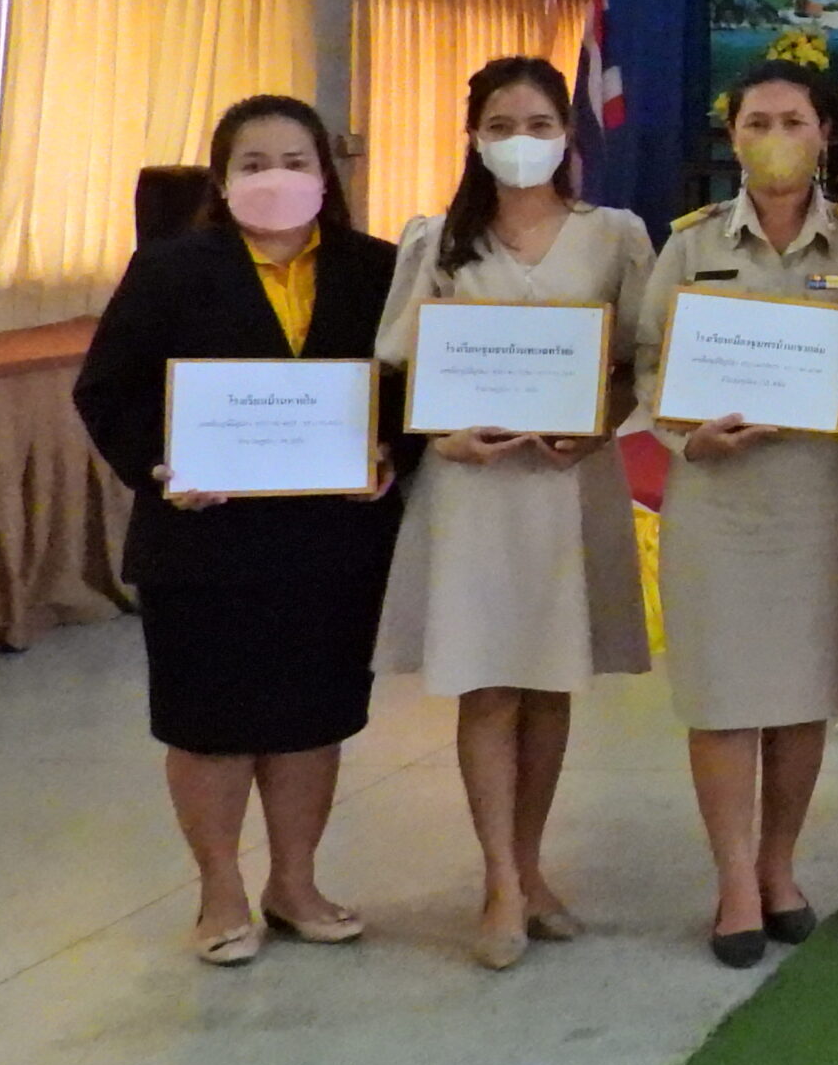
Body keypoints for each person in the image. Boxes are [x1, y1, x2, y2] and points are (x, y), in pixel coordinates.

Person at [73, 95, 408, 965]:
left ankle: (294, 884)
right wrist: (160, 466)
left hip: (331, 540)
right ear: (220, 180)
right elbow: (106, 388)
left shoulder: (376, 269)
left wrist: (390, 453)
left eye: (295, 161)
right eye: (252, 164)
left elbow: (409, 388)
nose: (276, 179)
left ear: (326, 175)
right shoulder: (169, 270)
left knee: (312, 720)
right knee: (208, 722)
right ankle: (218, 891)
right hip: (202, 541)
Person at [374, 57, 656, 969]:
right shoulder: (438, 241)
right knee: (488, 683)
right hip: (476, 494)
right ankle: (497, 879)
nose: (520, 142)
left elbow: (642, 360)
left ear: (568, 137)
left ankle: (532, 869)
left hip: (567, 487)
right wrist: (444, 434)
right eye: (501, 126)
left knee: (547, 679)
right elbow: (405, 367)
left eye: (539, 125)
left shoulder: (613, 236)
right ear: (473, 137)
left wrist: (601, 422)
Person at [632, 60, 838, 967]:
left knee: (801, 696)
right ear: (732, 135)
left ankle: (779, 866)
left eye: (792, 121)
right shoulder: (691, 243)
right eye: (756, 122)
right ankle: (734, 881)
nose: (775, 138)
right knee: (722, 698)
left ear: (824, 133)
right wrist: (685, 436)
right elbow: (647, 362)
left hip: (823, 502)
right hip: (719, 504)